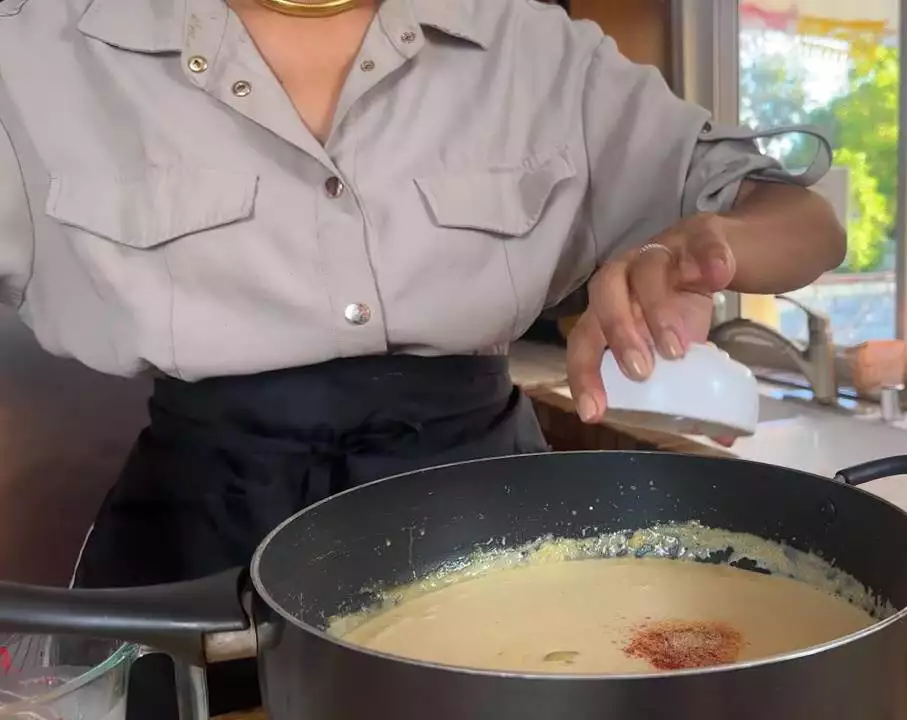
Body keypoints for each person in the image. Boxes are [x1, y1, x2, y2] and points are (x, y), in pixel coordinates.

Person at [0, 0, 845, 716]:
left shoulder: (525, 40)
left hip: (495, 535)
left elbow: (805, 222)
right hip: (191, 556)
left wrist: (705, 246)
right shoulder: (42, 50)